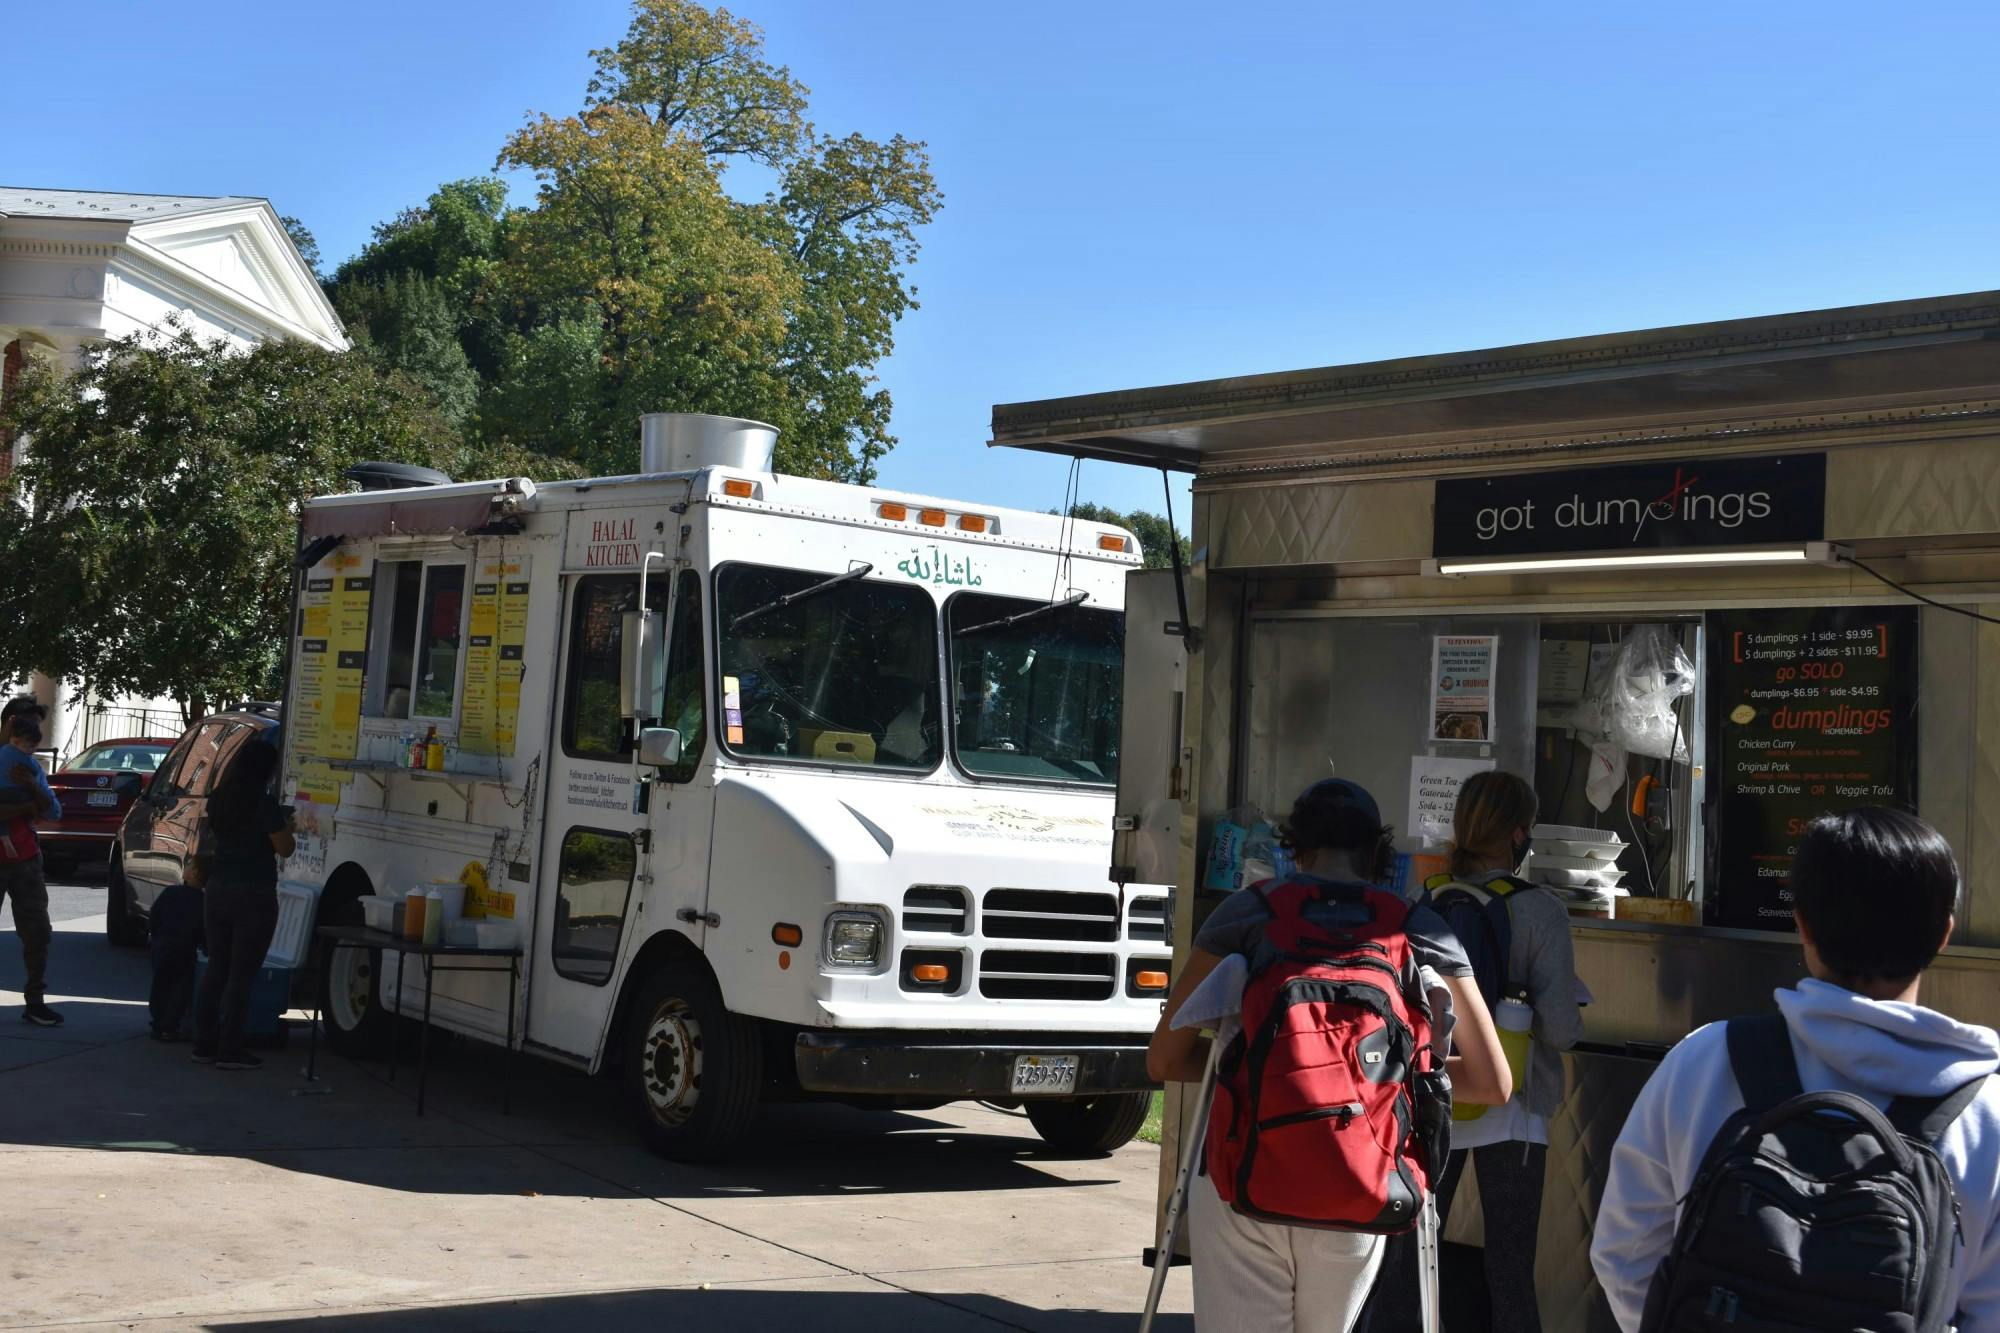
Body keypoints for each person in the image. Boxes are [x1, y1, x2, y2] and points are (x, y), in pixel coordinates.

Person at [1590, 808, 2000, 1330]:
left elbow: (1623, 1254)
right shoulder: (1987, 1115)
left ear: (1801, 922)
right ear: (1943, 933)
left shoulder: (1705, 1059)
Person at [1148, 778, 1513, 1333]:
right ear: (1377, 854)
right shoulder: (1416, 925)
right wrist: (1384, 1076)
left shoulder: (1247, 913)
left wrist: (1262, 1071)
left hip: (1243, 1173)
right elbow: (1492, 1082)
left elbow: (1166, 1059)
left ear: (1294, 848)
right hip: (1358, 1173)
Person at [1359, 770, 1582, 1333]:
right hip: (1513, 1111)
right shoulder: (1540, 911)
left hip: (1434, 1095)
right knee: (1509, 1271)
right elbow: (1560, 1031)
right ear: (1517, 833)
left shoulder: (1423, 900)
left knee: (1408, 1261)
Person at [191, 740, 294, 1070]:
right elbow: (285, 848)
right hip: (255, 891)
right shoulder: (263, 804)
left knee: (217, 967)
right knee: (242, 974)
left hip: (219, 888)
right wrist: (288, 825)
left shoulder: (221, 798)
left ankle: (204, 1043)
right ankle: (230, 1049)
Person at [0, 708, 63, 1027]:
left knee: (37, 932)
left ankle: (35, 1001)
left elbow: (53, 811)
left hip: (24, 859)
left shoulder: (29, 767)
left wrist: (33, 788)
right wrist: (26, 805)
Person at [147, 872, 204, 1042]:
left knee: (161, 984)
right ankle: (170, 1026)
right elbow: (204, 929)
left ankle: (158, 1022)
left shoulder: (170, 892)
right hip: (185, 948)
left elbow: (154, 914)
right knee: (181, 987)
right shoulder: (202, 900)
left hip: (163, 945)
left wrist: (155, 935)